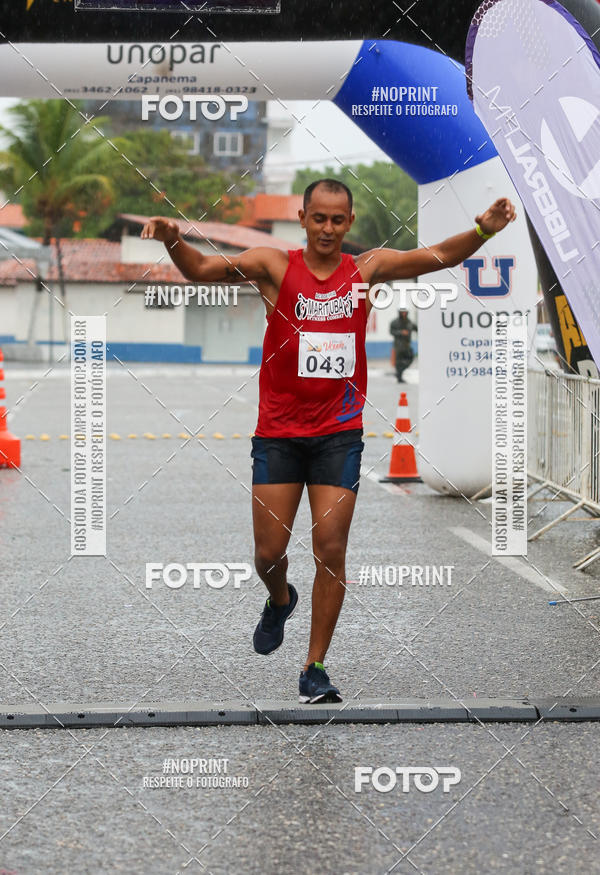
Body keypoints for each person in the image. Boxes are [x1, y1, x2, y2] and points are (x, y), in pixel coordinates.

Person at [141, 179, 516, 703]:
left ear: (350, 222)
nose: (328, 229)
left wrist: (481, 230)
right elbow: (203, 270)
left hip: (338, 433)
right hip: (278, 432)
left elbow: (433, 257)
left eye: (338, 220)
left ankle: (314, 666)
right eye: (319, 218)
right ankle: (279, 599)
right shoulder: (275, 266)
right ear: (302, 217)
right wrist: (171, 239)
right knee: (268, 554)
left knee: (331, 548)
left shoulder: (367, 270)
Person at [390, 308, 417, 382]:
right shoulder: (395, 322)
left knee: (410, 358)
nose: (404, 314)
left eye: (405, 312)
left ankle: (399, 373)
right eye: (402, 312)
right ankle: (399, 377)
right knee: (398, 362)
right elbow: (391, 331)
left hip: (407, 345)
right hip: (398, 345)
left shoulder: (409, 322)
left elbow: (417, 328)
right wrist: (401, 332)